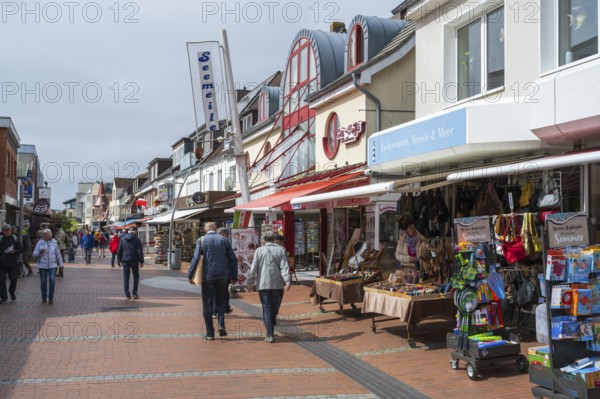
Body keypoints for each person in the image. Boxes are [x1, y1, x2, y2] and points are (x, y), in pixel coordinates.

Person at [188, 222, 237, 340]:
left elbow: (195, 259)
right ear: (215, 229)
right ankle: (221, 323)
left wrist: (190, 274)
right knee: (221, 301)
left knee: (207, 303)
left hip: (207, 276)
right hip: (223, 275)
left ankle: (210, 333)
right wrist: (233, 276)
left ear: (205, 229)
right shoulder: (224, 240)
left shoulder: (201, 240)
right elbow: (233, 259)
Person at [246, 231, 291, 343]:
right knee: (274, 306)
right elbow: (284, 266)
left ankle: (269, 334)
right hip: (277, 284)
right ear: (273, 239)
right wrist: (287, 280)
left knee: (266, 307)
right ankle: (271, 326)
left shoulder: (259, 251)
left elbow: (254, 267)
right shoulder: (281, 250)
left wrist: (250, 280)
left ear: (264, 240)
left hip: (263, 284)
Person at [32, 228, 63, 304]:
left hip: (53, 265)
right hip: (42, 265)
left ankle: (51, 298)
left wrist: (61, 264)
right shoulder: (40, 243)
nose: (45, 236)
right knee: (43, 282)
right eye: (44, 234)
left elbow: (58, 254)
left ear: (50, 235)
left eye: (46, 234)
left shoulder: (54, 243)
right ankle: (44, 297)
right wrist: (40, 252)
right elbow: (34, 254)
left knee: (52, 280)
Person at [117, 227, 144, 299]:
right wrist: (141, 261)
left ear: (129, 231)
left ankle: (126, 293)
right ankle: (134, 293)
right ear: (135, 231)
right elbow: (140, 251)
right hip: (134, 260)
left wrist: (119, 260)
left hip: (125, 260)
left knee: (126, 277)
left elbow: (119, 250)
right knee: (136, 277)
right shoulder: (137, 239)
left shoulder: (122, 239)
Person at [0, 225, 23, 303]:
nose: (7, 232)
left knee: (13, 279)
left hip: (12, 264)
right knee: (1, 280)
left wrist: (15, 251)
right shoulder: (0, 239)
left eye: (8, 230)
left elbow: (20, 249)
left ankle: (11, 292)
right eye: (5, 230)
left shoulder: (15, 238)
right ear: (2, 231)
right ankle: (3, 297)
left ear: (10, 231)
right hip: (1, 264)